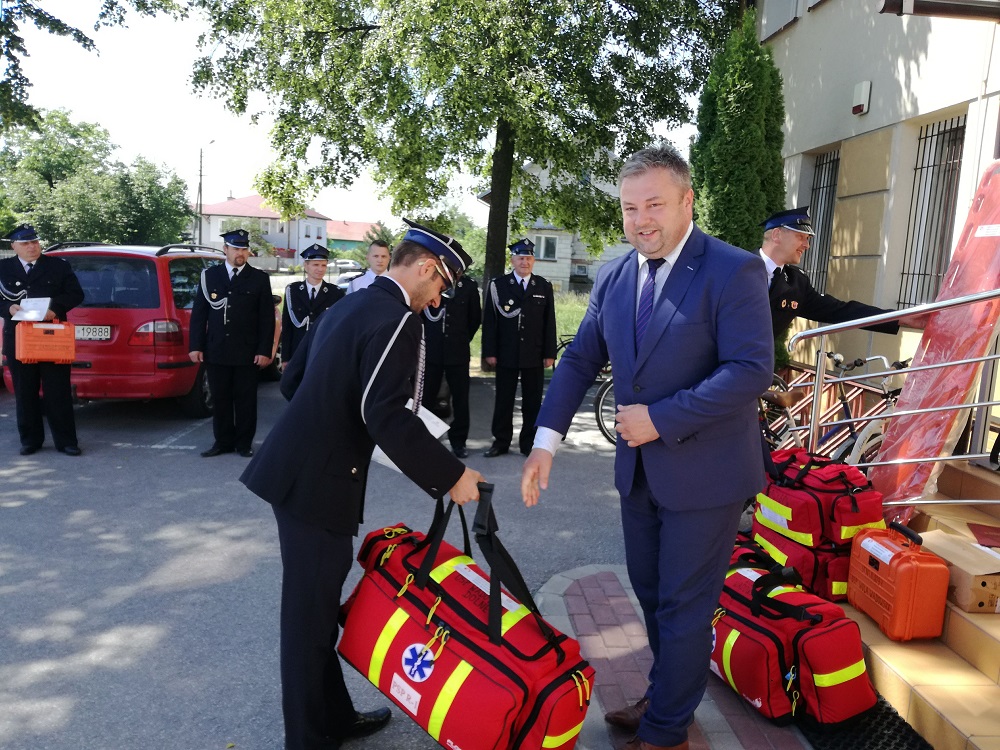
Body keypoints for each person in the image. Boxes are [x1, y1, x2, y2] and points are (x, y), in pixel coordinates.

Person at [521, 144, 774, 750]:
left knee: (685, 607)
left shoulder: (731, 269)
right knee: (655, 596)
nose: (640, 221)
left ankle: (666, 732)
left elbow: (750, 369)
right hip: (639, 477)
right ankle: (671, 695)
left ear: (687, 201)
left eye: (654, 204)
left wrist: (660, 418)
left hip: (706, 477)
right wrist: (545, 442)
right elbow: (581, 359)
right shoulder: (613, 274)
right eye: (630, 209)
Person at [239, 218, 484, 750]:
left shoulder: (349, 302)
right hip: (315, 482)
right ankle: (307, 739)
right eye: (441, 283)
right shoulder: (399, 319)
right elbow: (386, 415)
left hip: (302, 473)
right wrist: (452, 476)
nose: (439, 295)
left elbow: (293, 381)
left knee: (319, 610)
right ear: (424, 268)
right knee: (308, 619)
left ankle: (334, 717)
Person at [761, 206, 924, 339]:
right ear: (777, 235)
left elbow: (841, 311)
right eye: (800, 237)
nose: (806, 245)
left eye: (808, 239)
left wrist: (901, 318)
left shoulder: (796, 283)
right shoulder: (740, 268)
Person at [189, 229, 275, 458]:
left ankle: (244, 443)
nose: (240, 253)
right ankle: (222, 441)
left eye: (244, 249)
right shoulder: (210, 276)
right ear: (225, 250)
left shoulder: (259, 278)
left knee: (246, 399)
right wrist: (195, 346)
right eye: (236, 248)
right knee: (220, 398)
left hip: (247, 351)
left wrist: (264, 350)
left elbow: (266, 319)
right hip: (217, 349)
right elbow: (199, 314)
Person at [0, 223, 85, 456]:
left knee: (57, 392)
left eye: (35, 242)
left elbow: (76, 294)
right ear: (14, 246)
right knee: (25, 392)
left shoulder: (58, 266)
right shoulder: (3, 268)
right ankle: (30, 440)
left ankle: (66, 441)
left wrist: (55, 309)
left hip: (51, 336)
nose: (32, 246)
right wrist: (8, 307)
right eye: (26, 243)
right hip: (19, 338)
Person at [481, 238, 556, 457]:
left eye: (529, 258)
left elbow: (549, 322)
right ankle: (500, 442)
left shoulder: (543, 286)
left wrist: (549, 353)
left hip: (534, 353)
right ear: (513, 260)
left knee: (532, 402)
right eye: (521, 258)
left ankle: (529, 443)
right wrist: (490, 352)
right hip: (506, 353)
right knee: (504, 400)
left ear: (534, 261)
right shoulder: (499, 286)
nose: (525, 262)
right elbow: (490, 322)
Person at [421, 269, 481, 458]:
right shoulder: (431, 282)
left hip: (458, 352)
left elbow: (474, 320)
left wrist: (460, 339)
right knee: (426, 398)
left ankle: (459, 442)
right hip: (432, 352)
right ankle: (425, 441)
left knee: (461, 400)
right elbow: (420, 317)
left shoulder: (469, 286)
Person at [281, 243, 345, 365]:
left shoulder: (335, 293)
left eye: (323, 265)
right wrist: (285, 358)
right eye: (316, 264)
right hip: (298, 353)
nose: (320, 269)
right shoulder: (293, 291)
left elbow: (339, 328)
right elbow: (287, 327)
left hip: (323, 353)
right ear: (306, 266)